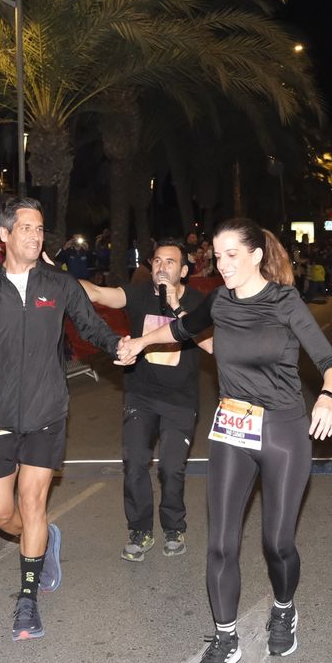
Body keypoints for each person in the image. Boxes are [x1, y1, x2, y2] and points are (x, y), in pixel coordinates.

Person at [117, 218, 332, 663]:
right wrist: (141, 342)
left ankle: (284, 608)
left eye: (231, 255)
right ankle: (225, 637)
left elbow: (330, 361)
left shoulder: (286, 301)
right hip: (232, 429)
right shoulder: (220, 301)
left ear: (256, 256)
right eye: (217, 255)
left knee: (277, 542)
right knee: (221, 543)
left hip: (283, 429)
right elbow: (181, 329)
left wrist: (327, 396)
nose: (221, 264)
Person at [0, 198, 129, 642]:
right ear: (4, 235)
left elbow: (91, 326)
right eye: (27, 229)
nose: (36, 236)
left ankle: (27, 599)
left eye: (39, 229)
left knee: (32, 503)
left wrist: (118, 346)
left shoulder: (58, 284)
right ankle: (44, 537)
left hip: (46, 411)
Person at [79, 240, 207, 562]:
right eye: (158, 261)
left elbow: (211, 342)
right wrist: (55, 277)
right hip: (142, 395)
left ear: (184, 271)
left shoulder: (197, 302)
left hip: (180, 400)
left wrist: (177, 306)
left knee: (171, 468)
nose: (162, 267)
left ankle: (174, 527)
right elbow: (97, 293)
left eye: (170, 262)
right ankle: (140, 530)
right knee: (135, 461)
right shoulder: (138, 294)